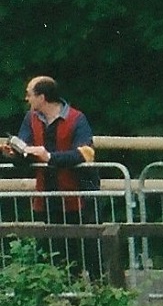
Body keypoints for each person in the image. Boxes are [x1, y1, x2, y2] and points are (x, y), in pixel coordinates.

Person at [4, 76, 103, 273]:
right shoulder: (30, 118)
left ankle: (95, 295)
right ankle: (62, 298)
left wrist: (49, 157)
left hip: (78, 196)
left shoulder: (76, 118)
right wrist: (14, 154)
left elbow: (86, 153)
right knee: (53, 253)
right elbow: (26, 151)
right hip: (47, 197)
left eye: (30, 94)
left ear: (42, 97)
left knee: (88, 252)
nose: (27, 99)